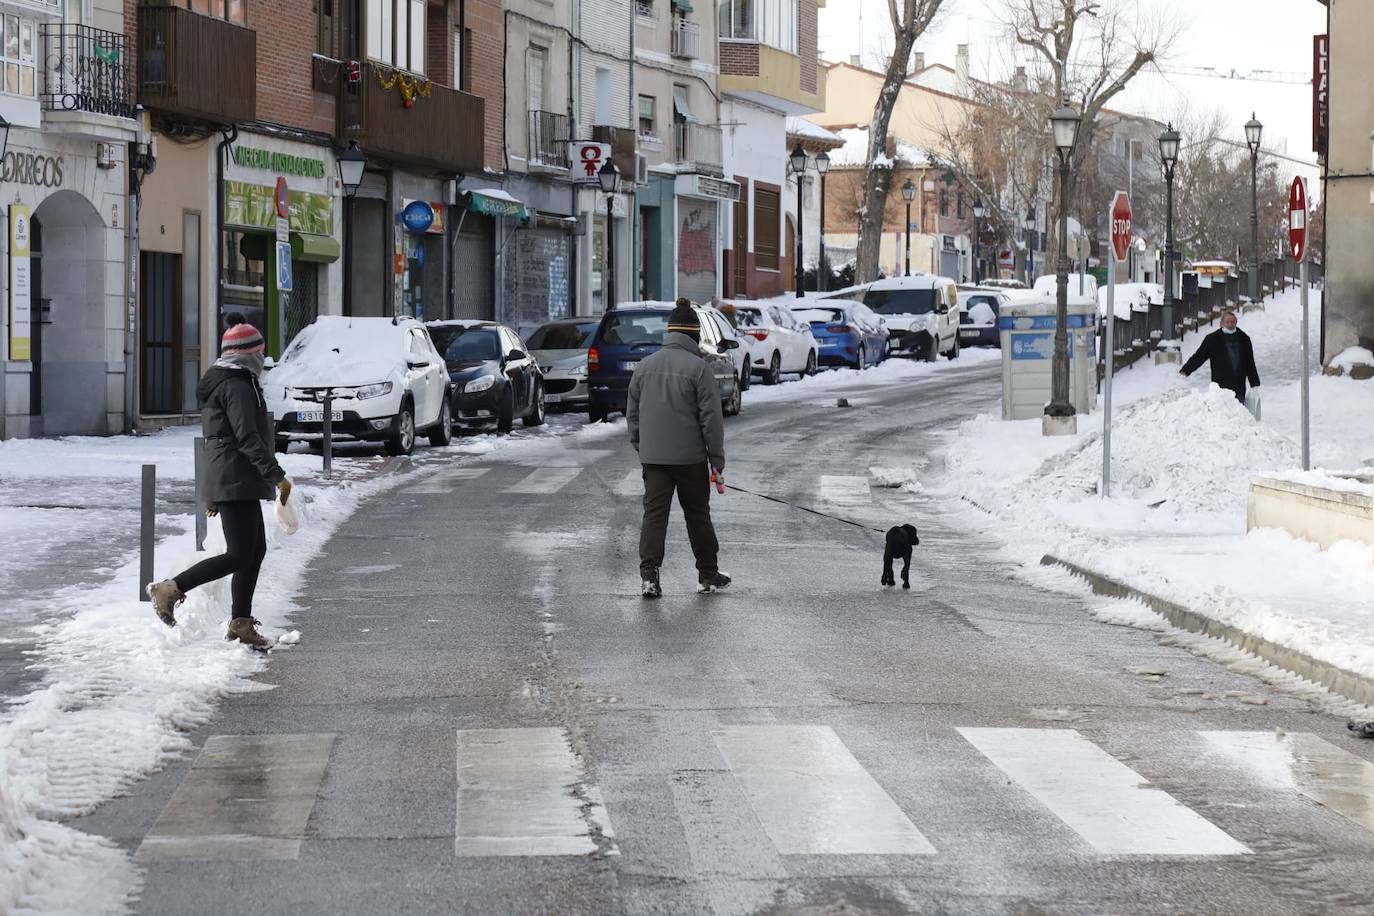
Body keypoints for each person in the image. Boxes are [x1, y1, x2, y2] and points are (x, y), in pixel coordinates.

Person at [146, 314, 292, 649]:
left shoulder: (234, 381)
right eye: (259, 353)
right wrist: (276, 475)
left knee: (254, 551)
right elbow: (246, 436)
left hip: (236, 476)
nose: (262, 360)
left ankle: (241, 623)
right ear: (248, 355)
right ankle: (169, 588)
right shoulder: (236, 385)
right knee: (240, 553)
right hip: (235, 475)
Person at [627, 299, 730, 599]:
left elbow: (632, 415)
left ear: (670, 332)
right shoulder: (700, 369)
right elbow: (711, 420)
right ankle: (708, 574)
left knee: (654, 516)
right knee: (697, 514)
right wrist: (716, 460)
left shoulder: (644, 367)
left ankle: (649, 576)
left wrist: (642, 447)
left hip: (654, 458)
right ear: (693, 334)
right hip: (690, 460)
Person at [1180, 309, 1260, 403]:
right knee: (1221, 413)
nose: (1230, 324)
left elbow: (1250, 362)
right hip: (1220, 386)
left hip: (1239, 386)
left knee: (1238, 413)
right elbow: (1199, 356)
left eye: (1232, 322)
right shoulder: (1212, 339)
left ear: (1236, 322)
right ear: (1222, 323)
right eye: (1227, 322)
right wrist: (1186, 370)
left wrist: (1254, 382)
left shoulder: (1244, 339)